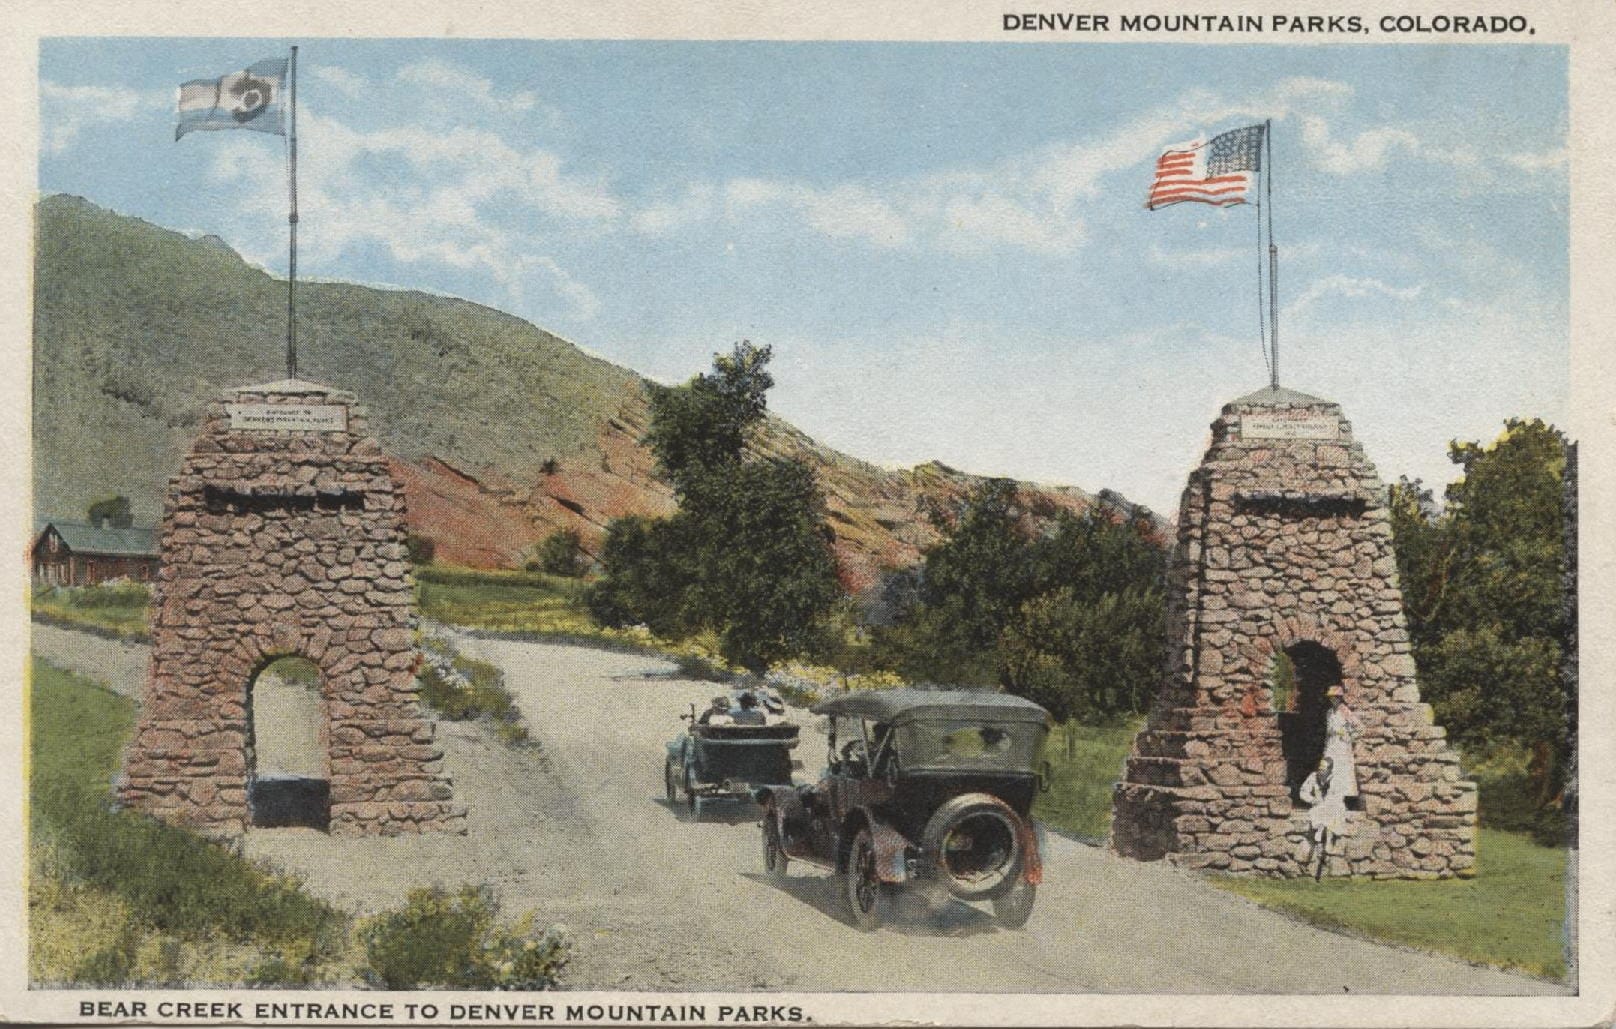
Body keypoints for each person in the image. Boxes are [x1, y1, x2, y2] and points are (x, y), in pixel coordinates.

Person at [1299, 756, 1349, 880]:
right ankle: (1323, 835)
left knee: (1332, 814)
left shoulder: (1336, 779)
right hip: (1319, 807)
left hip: (1333, 807)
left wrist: (1328, 802)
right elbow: (1303, 792)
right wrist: (1312, 799)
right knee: (1318, 813)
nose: (1321, 770)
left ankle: (1327, 838)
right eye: (1320, 767)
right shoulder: (1313, 777)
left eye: (1324, 768)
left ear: (1330, 770)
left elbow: (1338, 797)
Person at [1322, 684, 1360, 804]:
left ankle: (1341, 798)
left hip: (1342, 744)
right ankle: (1331, 797)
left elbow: (1358, 726)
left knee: (1341, 769)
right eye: (1331, 697)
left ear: (1339, 698)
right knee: (1329, 767)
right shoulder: (1329, 712)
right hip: (1331, 742)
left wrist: (1348, 735)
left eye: (1335, 697)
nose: (1333, 699)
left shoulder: (1344, 711)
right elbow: (1328, 731)